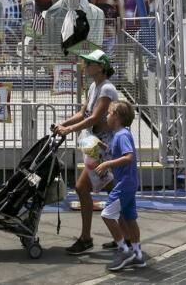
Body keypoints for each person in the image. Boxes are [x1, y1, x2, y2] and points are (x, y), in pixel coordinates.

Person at [53, 48, 119, 255]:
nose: (86, 65)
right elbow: (83, 113)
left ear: (100, 67)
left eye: (90, 63)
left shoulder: (107, 89)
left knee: (88, 189)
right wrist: (62, 124)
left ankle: (91, 238)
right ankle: (121, 237)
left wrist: (69, 129)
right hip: (93, 146)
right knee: (112, 192)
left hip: (103, 149)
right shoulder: (93, 86)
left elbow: (94, 118)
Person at [94, 100, 144, 271]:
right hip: (129, 183)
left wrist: (107, 165)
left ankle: (124, 250)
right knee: (130, 218)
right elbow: (119, 151)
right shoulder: (121, 134)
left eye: (108, 113)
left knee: (107, 214)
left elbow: (128, 156)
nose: (106, 116)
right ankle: (137, 254)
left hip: (124, 184)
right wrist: (103, 146)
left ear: (116, 116)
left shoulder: (122, 135)